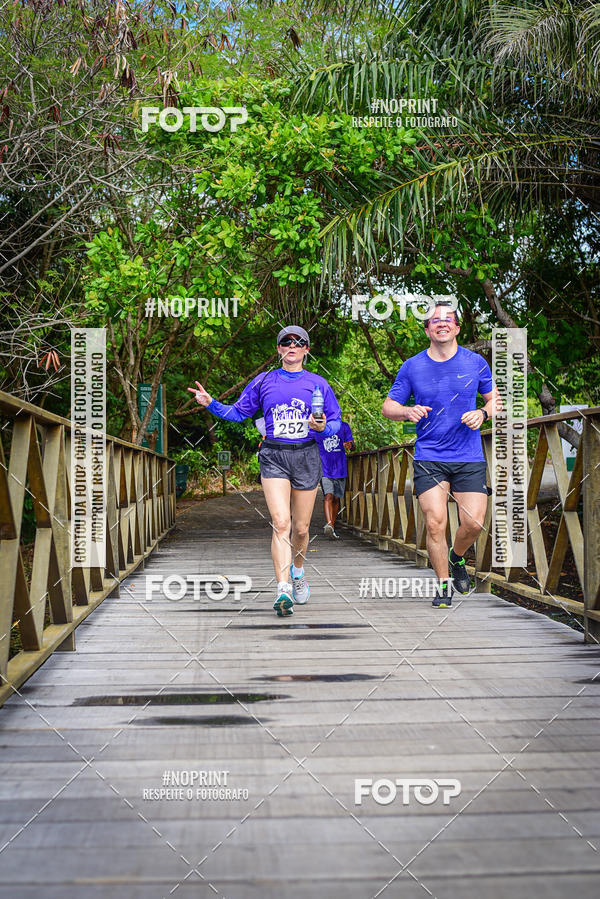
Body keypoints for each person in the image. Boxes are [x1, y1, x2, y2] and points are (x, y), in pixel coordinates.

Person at [188, 326, 342, 616]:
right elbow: (238, 413)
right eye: (286, 342)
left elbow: (335, 423)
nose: (292, 346)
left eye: (299, 343)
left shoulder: (318, 384)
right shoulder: (264, 381)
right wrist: (211, 404)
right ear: (279, 349)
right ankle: (282, 588)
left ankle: (297, 572)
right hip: (274, 455)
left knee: (301, 528)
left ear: (307, 350)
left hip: (307, 455)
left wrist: (322, 428)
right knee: (281, 522)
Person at [382, 301, 501, 608]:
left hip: (468, 455)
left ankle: (456, 557)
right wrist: (407, 411)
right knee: (435, 523)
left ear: (457, 327)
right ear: (427, 330)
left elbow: (495, 401)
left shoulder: (476, 363)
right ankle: (443, 584)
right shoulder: (412, 366)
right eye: (435, 320)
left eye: (448, 319)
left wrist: (483, 413)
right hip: (430, 455)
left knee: (473, 523)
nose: (442, 323)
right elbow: (388, 407)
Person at [315, 420, 355, 539]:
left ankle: (331, 526)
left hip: (340, 467)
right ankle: (329, 525)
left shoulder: (344, 426)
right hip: (324, 468)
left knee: (336, 498)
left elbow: (353, 445)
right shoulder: (318, 427)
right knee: (328, 496)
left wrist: (350, 445)